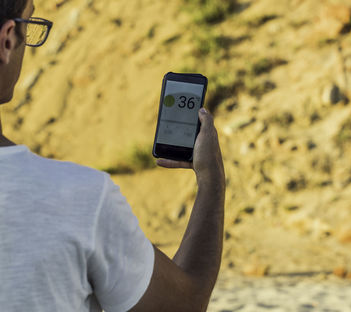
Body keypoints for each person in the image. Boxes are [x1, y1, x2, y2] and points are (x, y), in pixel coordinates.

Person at [0, 0, 226, 311]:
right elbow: (184, 304)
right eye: (29, 24)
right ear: (8, 39)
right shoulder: (79, 200)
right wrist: (212, 179)